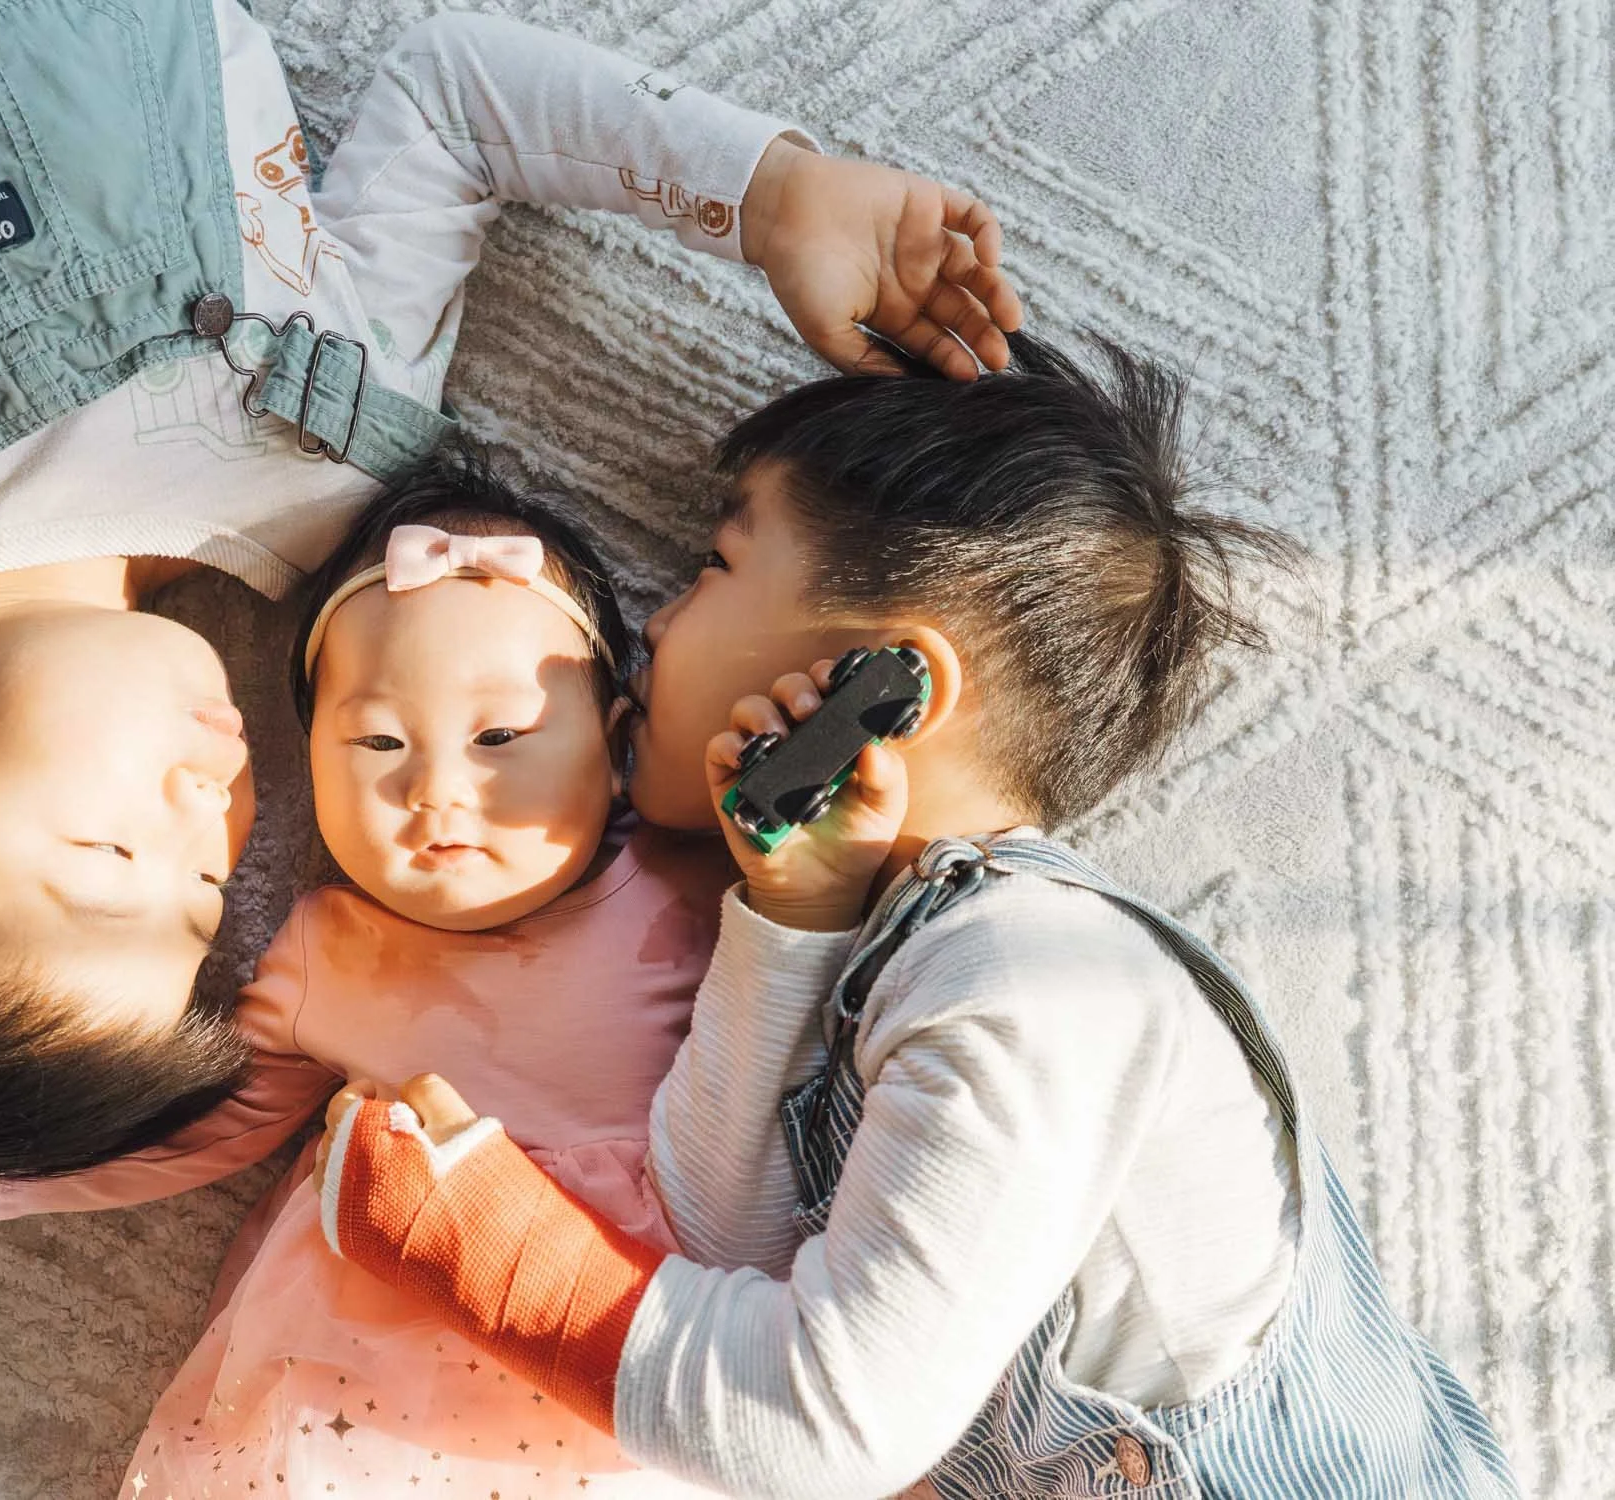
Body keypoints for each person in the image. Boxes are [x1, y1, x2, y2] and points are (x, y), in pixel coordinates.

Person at [0, 2, 1023, 1197]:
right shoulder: (336, 450)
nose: (210, 815)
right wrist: (772, 194)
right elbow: (449, 94)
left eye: (107, 860)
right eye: (202, 899)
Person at [314, 336, 1522, 1498]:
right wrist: (788, 922)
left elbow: (820, 1423)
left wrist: (482, 1241)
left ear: (880, 687)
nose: (659, 624)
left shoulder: (1039, 976)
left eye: (716, 567)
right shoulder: (891, 956)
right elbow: (727, 1240)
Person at [0, 454, 735, 1495]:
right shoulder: (328, 950)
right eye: (375, 739)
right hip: (387, 1352)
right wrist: (32, 1176)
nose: (437, 788)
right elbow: (221, 1119)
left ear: (617, 742)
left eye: (502, 735)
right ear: (305, 761)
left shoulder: (691, 876)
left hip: (636, 1322)